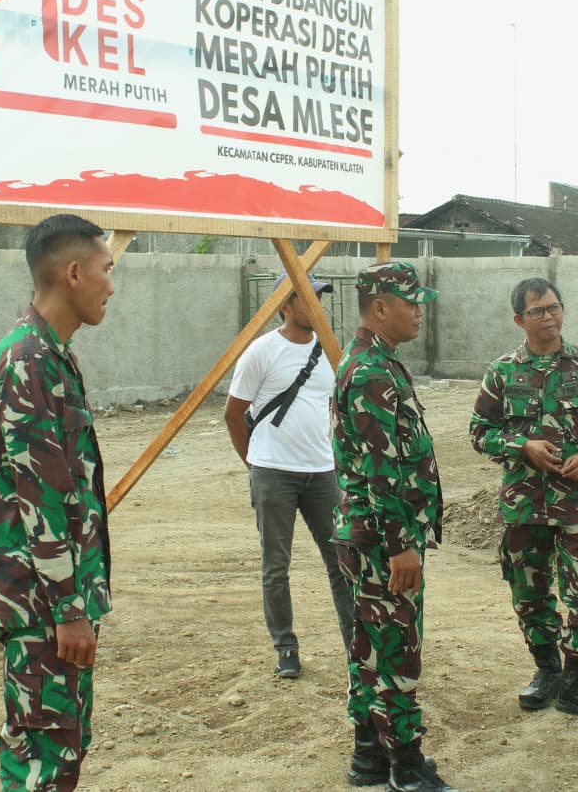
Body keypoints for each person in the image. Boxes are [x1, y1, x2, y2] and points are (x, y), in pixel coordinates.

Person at [0, 213, 115, 791]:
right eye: (106, 270)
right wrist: (69, 608)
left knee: (61, 748)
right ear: (73, 273)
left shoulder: (51, 355)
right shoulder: (28, 362)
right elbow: (41, 500)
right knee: (42, 760)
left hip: (51, 601)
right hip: (43, 606)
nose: (111, 285)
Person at [470, 277, 578, 724]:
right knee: (529, 593)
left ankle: (577, 682)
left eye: (554, 307)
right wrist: (522, 446)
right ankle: (547, 670)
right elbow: (479, 431)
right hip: (524, 505)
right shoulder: (503, 371)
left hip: (577, 504)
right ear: (519, 319)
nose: (548, 317)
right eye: (537, 311)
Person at [332, 261, 456, 792]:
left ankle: (367, 755)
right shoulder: (371, 373)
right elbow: (380, 470)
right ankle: (406, 765)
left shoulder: (376, 362)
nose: (419, 312)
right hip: (383, 540)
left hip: (369, 535)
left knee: (370, 645)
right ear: (380, 307)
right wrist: (401, 545)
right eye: (411, 303)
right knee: (397, 651)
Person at [223, 272, 354, 679]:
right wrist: (256, 464)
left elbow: (335, 408)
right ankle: (286, 649)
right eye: (307, 299)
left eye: (320, 299)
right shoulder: (262, 352)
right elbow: (233, 414)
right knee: (276, 566)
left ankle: (357, 649)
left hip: (322, 473)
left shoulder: (330, 351)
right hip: (274, 473)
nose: (317, 306)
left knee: (343, 560)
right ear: (284, 305)